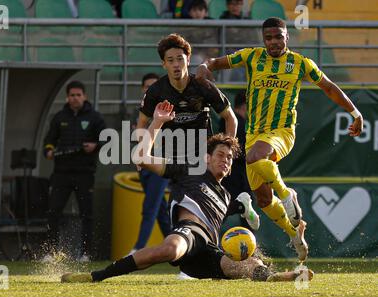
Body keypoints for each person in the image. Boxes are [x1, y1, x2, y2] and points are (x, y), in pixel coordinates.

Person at [61, 102, 314, 283]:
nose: (226, 161)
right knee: (170, 249)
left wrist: (247, 211)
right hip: (188, 234)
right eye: (220, 155)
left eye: (229, 158)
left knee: (242, 265)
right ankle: (97, 276)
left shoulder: (225, 195)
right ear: (206, 157)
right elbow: (140, 156)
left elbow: (229, 210)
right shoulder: (187, 169)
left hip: (208, 251)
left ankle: (276, 276)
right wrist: (157, 122)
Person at [196, 17, 364, 261]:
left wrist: (355, 113)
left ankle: (287, 195)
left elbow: (328, 86)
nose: (274, 42)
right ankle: (295, 233)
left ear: (287, 36)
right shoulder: (251, 57)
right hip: (254, 134)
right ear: (264, 39)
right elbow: (215, 62)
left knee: (255, 157)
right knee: (263, 199)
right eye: (269, 38)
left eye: (278, 36)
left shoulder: (300, 63)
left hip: (282, 132)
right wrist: (204, 66)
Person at [137, 33, 258, 230]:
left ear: (188, 60)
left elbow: (231, 118)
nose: (176, 64)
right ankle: (236, 206)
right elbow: (142, 121)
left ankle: (190, 243)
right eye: (170, 60)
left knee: (187, 202)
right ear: (163, 64)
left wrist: (227, 152)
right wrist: (142, 153)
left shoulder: (202, 86)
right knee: (194, 202)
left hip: (202, 155)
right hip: (173, 155)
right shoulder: (156, 91)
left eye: (180, 59)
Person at [43, 81, 106, 262]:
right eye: (72, 95)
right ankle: (51, 252)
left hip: (85, 173)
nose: (75, 98)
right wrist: (48, 150)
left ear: (84, 96)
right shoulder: (60, 117)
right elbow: (49, 140)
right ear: (67, 97)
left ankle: (85, 254)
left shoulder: (95, 118)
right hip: (61, 173)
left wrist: (95, 146)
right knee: (53, 212)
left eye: (78, 95)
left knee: (86, 214)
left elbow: (107, 140)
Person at [127, 73, 171, 257]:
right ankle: (181, 250)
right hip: (143, 165)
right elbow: (136, 136)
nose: (150, 89)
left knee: (150, 207)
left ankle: (138, 249)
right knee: (160, 210)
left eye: (153, 85)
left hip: (160, 165)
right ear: (142, 89)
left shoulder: (168, 110)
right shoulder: (138, 111)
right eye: (146, 86)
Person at [219, 91, 255, 232]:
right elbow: (238, 151)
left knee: (225, 210)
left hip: (233, 174)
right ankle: (250, 247)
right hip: (236, 176)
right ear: (246, 105)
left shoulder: (229, 120)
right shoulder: (238, 123)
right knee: (239, 210)